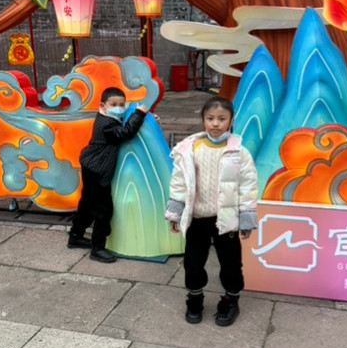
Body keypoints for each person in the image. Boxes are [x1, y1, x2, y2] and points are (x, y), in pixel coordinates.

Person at [165, 96, 258, 327]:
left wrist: (246, 217)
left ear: (231, 121)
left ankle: (231, 299)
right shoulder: (189, 149)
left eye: (222, 119)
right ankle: (195, 298)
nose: (216, 123)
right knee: (193, 263)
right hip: (197, 217)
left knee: (231, 263)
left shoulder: (239, 152)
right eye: (210, 118)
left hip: (226, 219)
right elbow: (179, 182)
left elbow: (248, 186)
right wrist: (176, 210)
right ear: (203, 120)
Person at [68, 87, 148, 262]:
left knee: (88, 203)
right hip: (97, 170)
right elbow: (125, 132)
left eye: (121, 104)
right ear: (103, 106)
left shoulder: (109, 117)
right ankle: (98, 248)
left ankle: (75, 236)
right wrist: (140, 115)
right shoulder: (106, 124)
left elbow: (125, 123)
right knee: (103, 210)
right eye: (114, 104)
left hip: (91, 166)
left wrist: (148, 119)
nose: (118, 108)